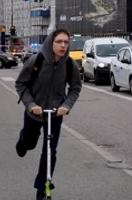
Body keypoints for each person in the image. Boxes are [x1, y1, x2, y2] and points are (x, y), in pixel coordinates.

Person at [14, 29, 82, 200]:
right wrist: (31, 105)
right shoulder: (36, 60)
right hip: (34, 112)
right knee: (29, 144)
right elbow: (21, 84)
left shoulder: (69, 65)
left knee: (50, 151)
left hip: (55, 115)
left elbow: (75, 88)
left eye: (66, 42)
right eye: (59, 41)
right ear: (51, 42)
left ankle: (42, 187)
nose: (62, 45)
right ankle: (23, 140)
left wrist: (66, 105)